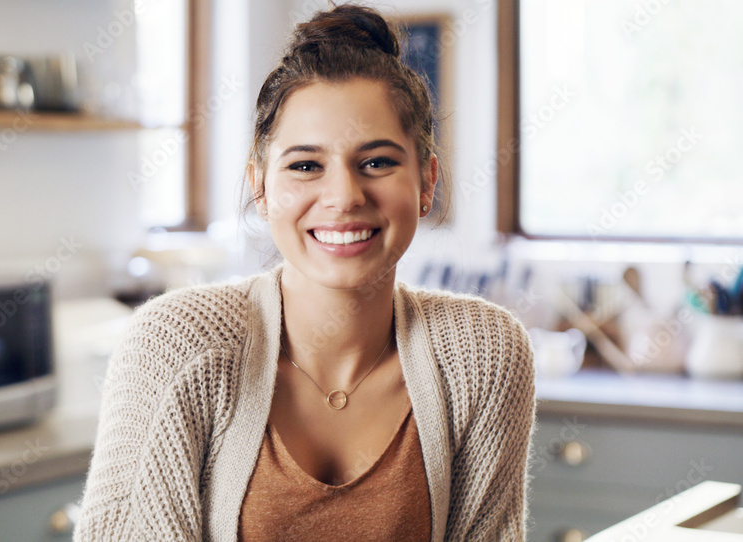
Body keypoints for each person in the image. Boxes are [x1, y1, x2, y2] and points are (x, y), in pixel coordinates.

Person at [74, 4, 535, 541]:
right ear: (261, 187)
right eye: (305, 165)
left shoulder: (485, 353)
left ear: (426, 181)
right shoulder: (176, 345)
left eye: (378, 161)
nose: (343, 196)